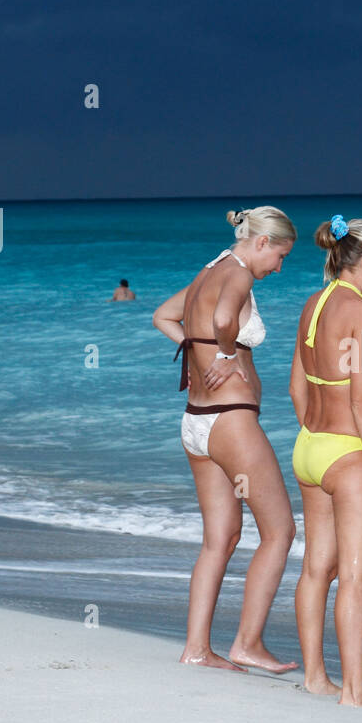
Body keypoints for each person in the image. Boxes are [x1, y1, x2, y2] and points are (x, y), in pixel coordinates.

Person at [153, 206, 299, 673]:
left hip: (196, 421)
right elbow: (222, 317)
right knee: (279, 531)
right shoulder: (236, 273)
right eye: (279, 256)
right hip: (230, 422)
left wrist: (202, 355)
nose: (279, 267)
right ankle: (247, 644)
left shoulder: (207, 270)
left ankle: (197, 648)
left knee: (221, 538)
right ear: (261, 243)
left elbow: (162, 316)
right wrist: (227, 353)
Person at [290, 214, 362, 709]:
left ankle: (315, 676)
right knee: (358, 576)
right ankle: (354, 691)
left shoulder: (314, 303)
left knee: (316, 570)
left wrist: (315, 435)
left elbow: (296, 385)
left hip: (309, 447)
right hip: (347, 453)